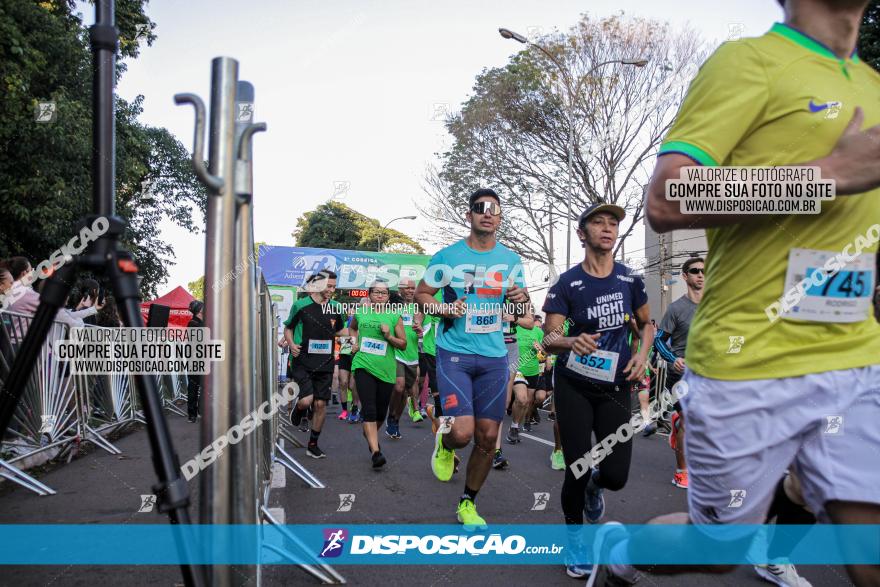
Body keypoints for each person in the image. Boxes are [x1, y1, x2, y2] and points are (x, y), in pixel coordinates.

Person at [594, 2, 880, 585]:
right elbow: (667, 199)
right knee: (718, 548)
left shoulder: (873, 83)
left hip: (855, 357)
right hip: (747, 364)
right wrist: (831, 174)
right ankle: (619, 550)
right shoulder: (749, 62)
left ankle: (803, 479)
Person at [542, 202, 652, 579]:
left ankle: (595, 487)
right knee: (577, 464)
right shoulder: (567, 283)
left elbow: (646, 324)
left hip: (615, 386)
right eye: (598, 222)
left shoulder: (630, 281)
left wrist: (642, 354)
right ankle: (575, 541)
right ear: (582, 233)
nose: (607, 228)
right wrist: (571, 340)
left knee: (616, 475)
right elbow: (549, 337)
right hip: (573, 384)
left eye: (612, 223)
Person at [416, 187, 529, 530]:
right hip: (455, 353)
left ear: (500, 216)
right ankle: (445, 442)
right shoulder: (447, 257)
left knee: (486, 437)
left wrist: (521, 297)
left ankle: (467, 502)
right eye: (480, 207)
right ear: (469, 215)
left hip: (495, 358)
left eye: (494, 208)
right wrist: (444, 308)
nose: (488, 212)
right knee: (463, 433)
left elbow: (523, 310)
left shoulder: (511, 260)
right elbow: (422, 294)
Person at [285, 270, 347, 459]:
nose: (332, 290)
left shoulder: (336, 307)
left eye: (334, 287)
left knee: (320, 405)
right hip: (302, 360)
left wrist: (354, 340)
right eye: (329, 286)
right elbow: (289, 327)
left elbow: (340, 331)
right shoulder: (300, 305)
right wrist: (291, 344)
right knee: (306, 400)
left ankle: (313, 444)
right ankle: (299, 408)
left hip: (325, 362)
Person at [654, 256, 703, 489]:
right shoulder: (676, 308)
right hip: (682, 373)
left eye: (704, 271)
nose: (701, 275)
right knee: (688, 421)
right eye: (695, 271)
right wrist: (674, 359)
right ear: (685, 276)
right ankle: (682, 472)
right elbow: (659, 340)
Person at [349, 279, 407, 468]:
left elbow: (403, 344)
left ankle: (370, 433)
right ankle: (376, 451)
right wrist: (353, 342)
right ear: (369, 294)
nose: (380, 295)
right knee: (369, 409)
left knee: (381, 412)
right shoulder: (361, 312)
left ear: (388, 297)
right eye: (376, 292)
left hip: (386, 369)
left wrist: (389, 336)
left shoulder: (394, 316)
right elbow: (352, 328)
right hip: (363, 365)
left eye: (384, 293)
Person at [386, 277, 424, 437]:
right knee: (399, 386)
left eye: (412, 288)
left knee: (405, 392)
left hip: (412, 354)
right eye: (406, 288)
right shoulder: (393, 307)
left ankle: (395, 420)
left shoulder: (419, 308)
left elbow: (423, 331)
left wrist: (419, 329)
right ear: (400, 289)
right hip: (395, 352)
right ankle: (390, 416)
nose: (410, 290)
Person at [186, 300, 204, 423]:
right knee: (193, 387)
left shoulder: (200, 323)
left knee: (203, 386)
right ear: (199, 310)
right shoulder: (193, 324)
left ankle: (200, 411)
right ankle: (192, 414)